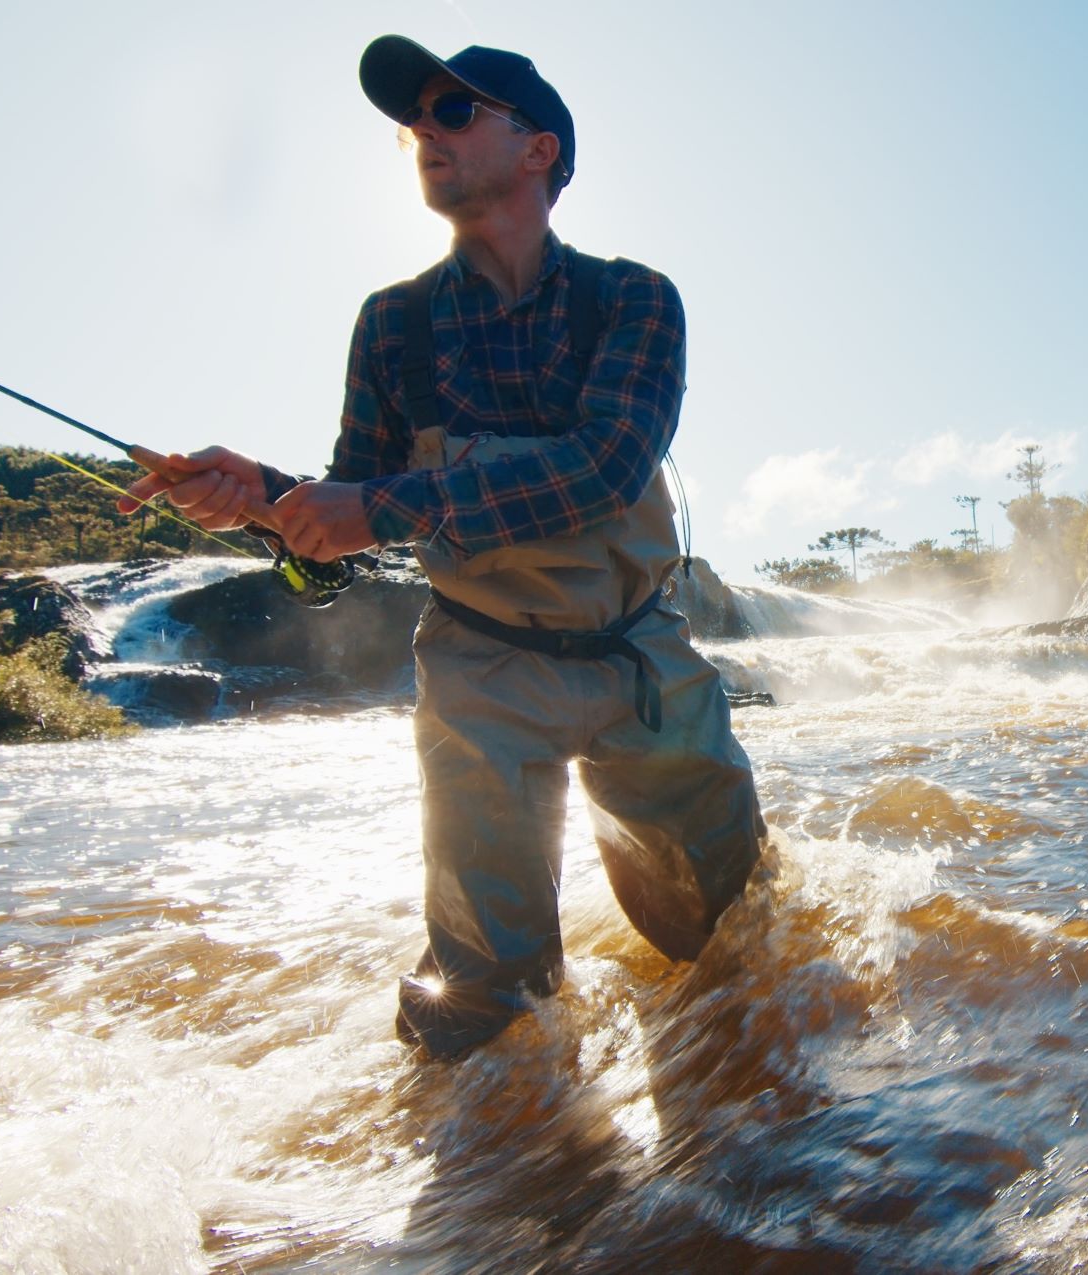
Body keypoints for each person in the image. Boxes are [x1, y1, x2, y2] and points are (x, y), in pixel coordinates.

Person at [120, 35, 764, 1059]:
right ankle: (499, 1197)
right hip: (477, 671)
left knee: (737, 949)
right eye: (414, 119)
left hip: (641, 657)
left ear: (539, 149)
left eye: (455, 112)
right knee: (478, 1004)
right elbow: (345, 540)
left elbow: (600, 468)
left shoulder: (635, 299)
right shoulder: (389, 326)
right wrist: (266, 505)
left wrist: (369, 506)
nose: (424, 130)